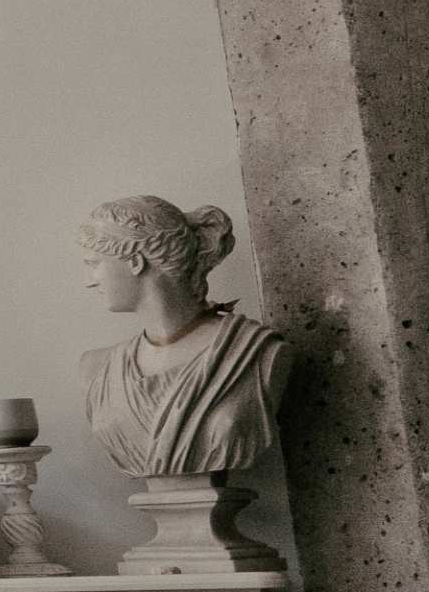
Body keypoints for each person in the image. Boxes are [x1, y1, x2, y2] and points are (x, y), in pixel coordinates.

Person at [77, 196, 287, 477]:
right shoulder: (97, 368)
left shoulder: (255, 353)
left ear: (135, 262)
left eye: (94, 263)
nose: (89, 280)